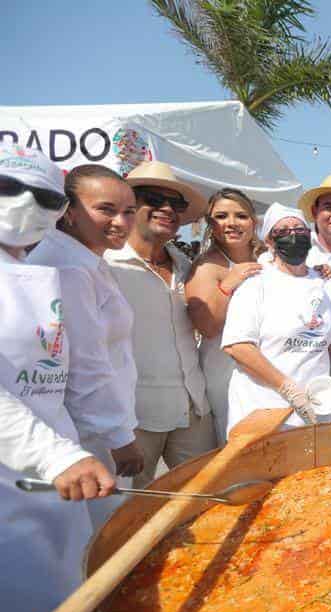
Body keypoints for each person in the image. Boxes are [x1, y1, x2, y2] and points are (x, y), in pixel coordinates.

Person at [0, 143, 116, 612]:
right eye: (7, 189)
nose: (24, 204)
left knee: (51, 611)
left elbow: (62, 376)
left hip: (54, 483)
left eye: (41, 196)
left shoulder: (32, 271)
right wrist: (55, 455)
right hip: (20, 475)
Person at [27, 165, 145, 525]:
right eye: (106, 209)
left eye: (128, 211)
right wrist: (119, 437)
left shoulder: (85, 259)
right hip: (88, 432)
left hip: (95, 424)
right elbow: (84, 361)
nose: (121, 222)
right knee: (100, 534)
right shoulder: (69, 267)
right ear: (69, 211)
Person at [105, 161, 216, 487]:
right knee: (126, 517)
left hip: (193, 409)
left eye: (176, 203)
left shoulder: (187, 266)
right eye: (154, 198)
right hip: (133, 418)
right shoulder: (104, 266)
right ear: (131, 205)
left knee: (203, 506)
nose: (167, 209)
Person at [221, 203, 331, 432]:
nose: (293, 235)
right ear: (269, 242)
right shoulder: (256, 283)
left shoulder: (325, 284)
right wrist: (287, 388)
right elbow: (238, 346)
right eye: (283, 232)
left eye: (299, 230)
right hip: (262, 412)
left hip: (316, 410)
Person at [184, 189, 264, 445]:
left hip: (269, 364)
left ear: (254, 221)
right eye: (221, 216)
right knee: (237, 443)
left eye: (240, 215)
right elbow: (206, 326)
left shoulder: (269, 258)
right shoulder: (206, 266)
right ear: (210, 224)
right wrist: (227, 285)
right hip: (225, 371)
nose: (231, 223)